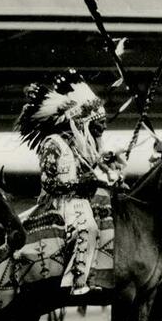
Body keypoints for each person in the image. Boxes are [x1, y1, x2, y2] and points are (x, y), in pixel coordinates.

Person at [17, 71, 123, 296]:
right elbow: (48, 182)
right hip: (61, 203)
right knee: (87, 228)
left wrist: (106, 164)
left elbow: (91, 163)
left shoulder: (76, 145)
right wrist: (77, 184)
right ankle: (77, 281)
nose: (80, 125)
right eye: (76, 121)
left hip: (80, 199)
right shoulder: (52, 144)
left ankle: (100, 274)